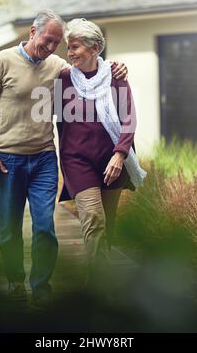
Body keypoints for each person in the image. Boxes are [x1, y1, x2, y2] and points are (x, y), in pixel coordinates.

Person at [0, 10, 127, 303]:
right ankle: (15, 282)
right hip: (7, 159)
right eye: (48, 40)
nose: (52, 48)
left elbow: (93, 71)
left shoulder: (57, 66)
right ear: (32, 32)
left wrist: (118, 67)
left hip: (44, 157)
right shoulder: (0, 62)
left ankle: (41, 287)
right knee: (9, 228)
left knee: (45, 226)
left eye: (57, 43)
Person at [56, 18, 147, 292]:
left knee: (108, 223)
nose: (69, 53)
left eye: (74, 47)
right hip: (76, 160)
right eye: (68, 48)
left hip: (111, 161)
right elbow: (39, 107)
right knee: (93, 218)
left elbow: (128, 119)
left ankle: (103, 276)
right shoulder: (63, 79)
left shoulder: (115, 77)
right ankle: (98, 287)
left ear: (94, 48)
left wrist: (120, 155)